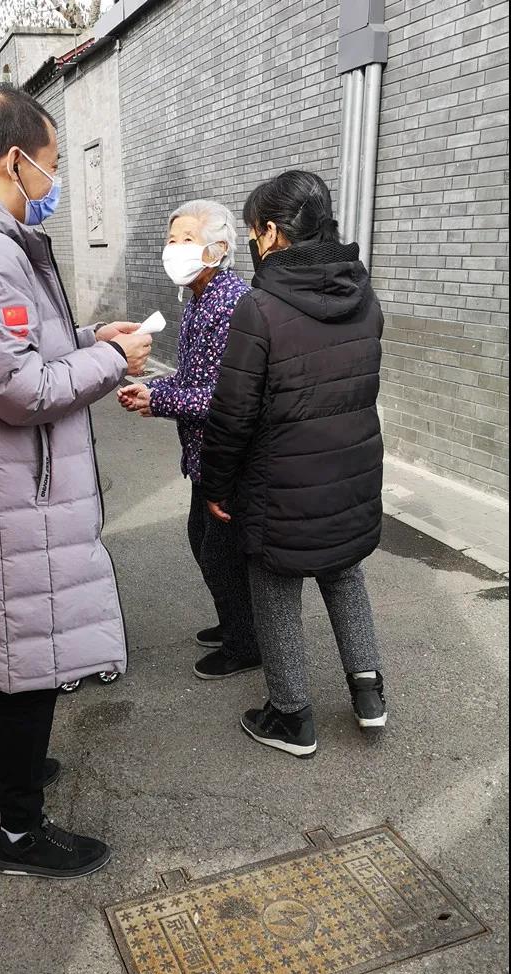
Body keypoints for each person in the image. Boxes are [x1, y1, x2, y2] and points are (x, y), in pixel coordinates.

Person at [0, 84, 152, 878]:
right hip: (9, 494)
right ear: (16, 160)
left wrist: (89, 335)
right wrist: (111, 359)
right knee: (26, 663)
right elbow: (20, 389)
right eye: (52, 162)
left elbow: (16, 349)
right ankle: (21, 832)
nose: (54, 181)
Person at [201, 170, 386, 759]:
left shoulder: (260, 307)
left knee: (275, 581)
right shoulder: (364, 294)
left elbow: (233, 414)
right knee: (344, 570)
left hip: (281, 480)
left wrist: (215, 484)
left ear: (272, 233)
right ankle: (369, 695)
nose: (254, 242)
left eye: (254, 231)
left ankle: (290, 716)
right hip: (351, 472)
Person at [118, 201, 260, 680]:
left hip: (229, 455)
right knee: (205, 541)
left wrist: (158, 400)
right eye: (171, 240)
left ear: (217, 249)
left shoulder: (231, 303)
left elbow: (226, 397)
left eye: (185, 240)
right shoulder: (200, 298)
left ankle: (246, 643)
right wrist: (152, 390)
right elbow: (193, 378)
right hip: (206, 453)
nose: (173, 249)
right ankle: (236, 623)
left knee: (219, 552)